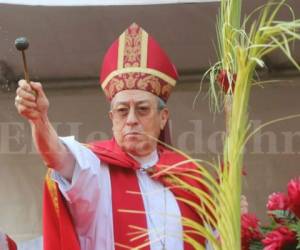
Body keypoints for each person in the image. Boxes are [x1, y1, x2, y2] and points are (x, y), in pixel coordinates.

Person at [15, 23, 239, 250]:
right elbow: (55, 154)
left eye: (142, 109)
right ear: (112, 118)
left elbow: (213, 242)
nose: (131, 119)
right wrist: (39, 119)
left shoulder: (190, 176)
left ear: (163, 117)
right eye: (123, 111)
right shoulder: (94, 168)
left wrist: (230, 220)